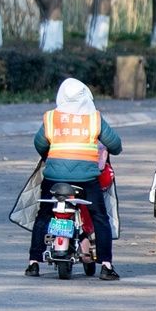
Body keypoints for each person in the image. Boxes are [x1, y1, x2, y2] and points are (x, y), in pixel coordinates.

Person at [26, 77, 122, 280]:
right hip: (87, 179)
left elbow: (40, 144)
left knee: (43, 215)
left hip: (54, 178)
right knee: (100, 218)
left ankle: (33, 263)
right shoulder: (93, 118)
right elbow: (115, 145)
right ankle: (105, 264)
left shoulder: (52, 118)